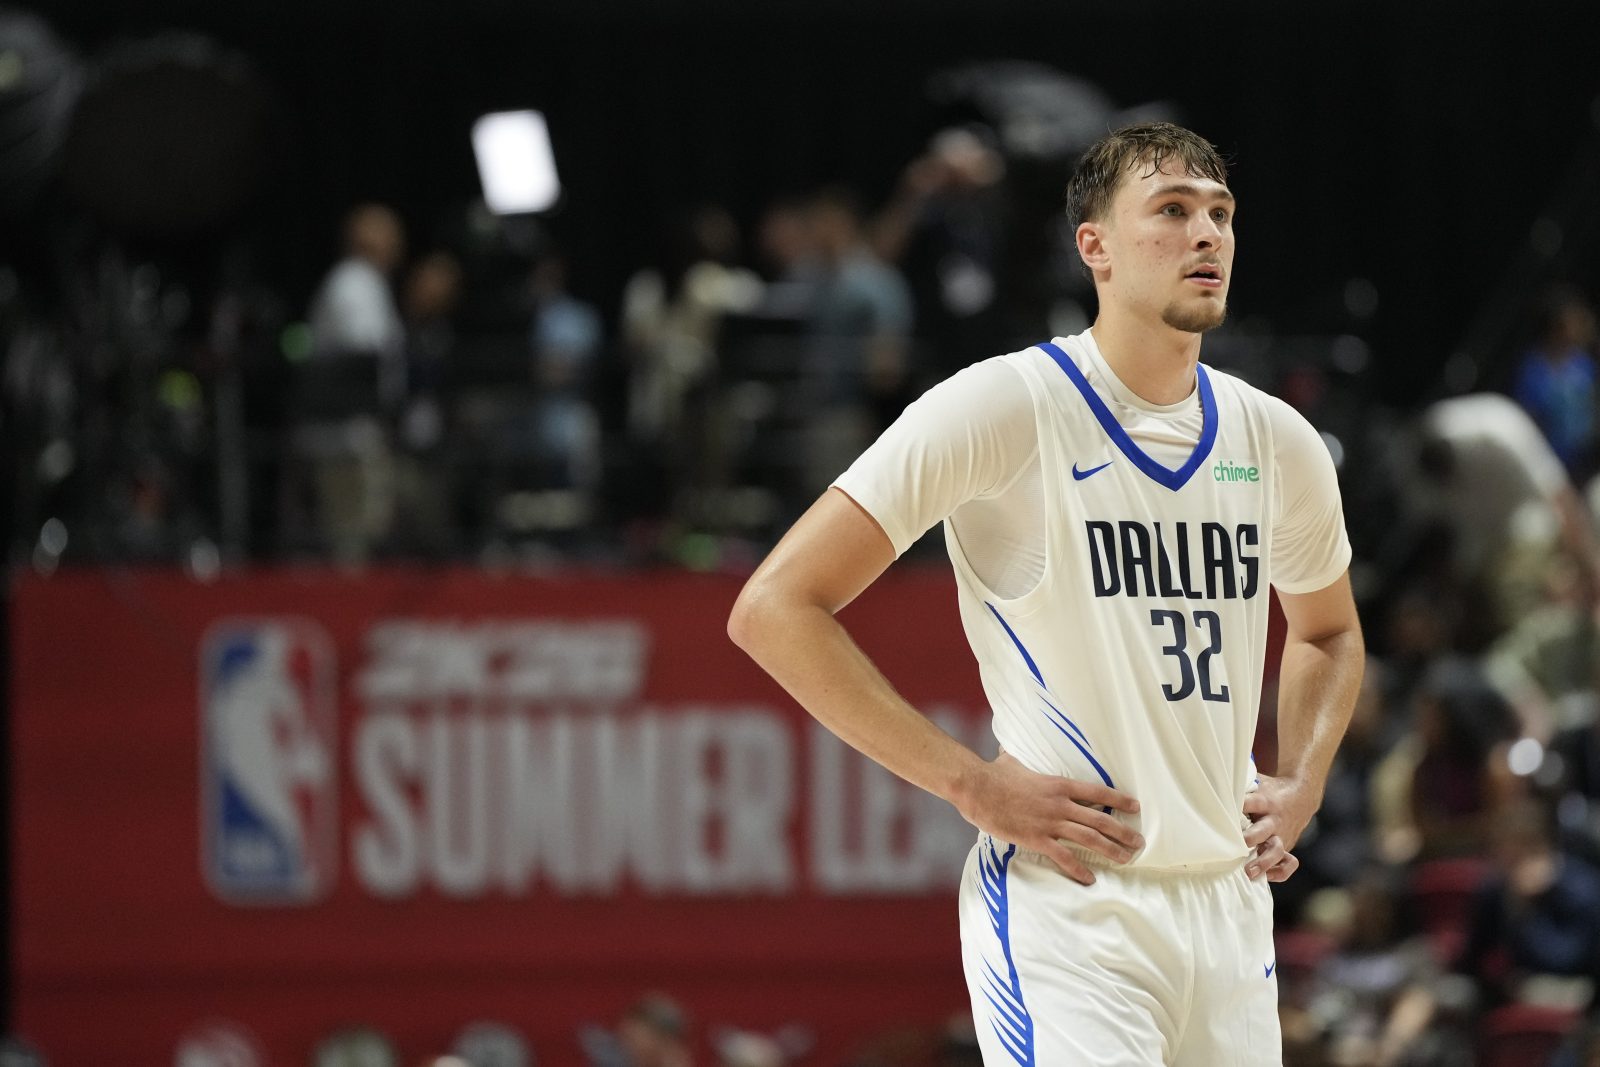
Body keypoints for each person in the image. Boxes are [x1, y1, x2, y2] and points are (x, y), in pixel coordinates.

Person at [729, 122, 1364, 1065]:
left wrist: (1303, 779)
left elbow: (1328, 631)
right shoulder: (1007, 405)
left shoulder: (1278, 441)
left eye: (1221, 214)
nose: (1208, 235)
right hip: (1073, 910)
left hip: (1230, 907)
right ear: (1094, 247)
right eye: (1174, 211)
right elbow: (773, 607)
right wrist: (969, 782)